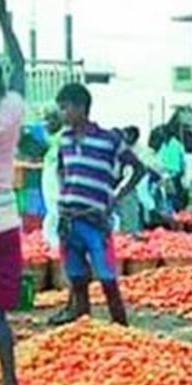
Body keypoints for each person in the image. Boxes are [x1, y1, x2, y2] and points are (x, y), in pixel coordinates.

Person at [48, 83, 147, 328]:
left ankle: (121, 330)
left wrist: (116, 196)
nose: (62, 113)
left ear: (82, 107)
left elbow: (139, 168)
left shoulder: (109, 140)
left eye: (65, 108)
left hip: (95, 221)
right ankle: (84, 330)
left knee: (108, 281)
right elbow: (62, 169)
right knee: (77, 280)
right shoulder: (64, 140)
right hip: (68, 221)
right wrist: (65, 193)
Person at [0, 0, 26, 385]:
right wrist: (3, 19)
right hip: (3, 225)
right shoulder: (11, 112)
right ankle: (10, 381)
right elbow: (19, 66)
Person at [40, 108, 64, 251]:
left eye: (49, 119)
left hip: (57, 182)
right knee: (53, 212)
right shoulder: (52, 139)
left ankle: (57, 246)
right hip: (51, 180)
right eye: (45, 120)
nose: (46, 124)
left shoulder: (63, 138)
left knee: (57, 212)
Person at [114, 127, 145, 234]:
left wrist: (124, 190)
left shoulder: (127, 154)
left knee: (128, 233)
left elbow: (141, 169)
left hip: (125, 194)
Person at [158, 126, 188, 212]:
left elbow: (183, 159)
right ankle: (170, 211)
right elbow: (160, 158)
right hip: (165, 173)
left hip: (175, 173)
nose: (162, 135)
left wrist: (183, 171)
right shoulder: (163, 145)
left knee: (177, 193)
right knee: (167, 194)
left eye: (163, 133)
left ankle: (179, 210)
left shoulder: (177, 144)